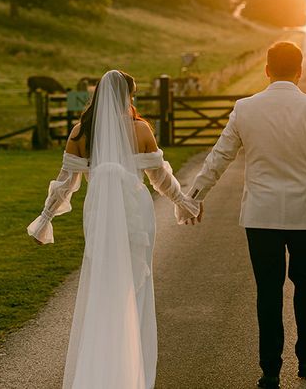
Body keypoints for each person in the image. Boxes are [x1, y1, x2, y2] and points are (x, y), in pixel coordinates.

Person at [184, 41, 306, 389]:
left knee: (268, 290)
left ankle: (270, 371)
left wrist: (194, 195)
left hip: (260, 217)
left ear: (266, 69)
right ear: (300, 70)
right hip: (305, 217)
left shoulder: (245, 108)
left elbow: (220, 156)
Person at [27, 69, 199, 389]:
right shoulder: (141, 130)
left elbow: (66, 184)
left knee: (104, 287)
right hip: (136, 215)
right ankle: (132, 374)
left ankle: (105, 368)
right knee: (136, 288)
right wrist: (183, 202)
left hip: (99, 215)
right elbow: (159, 178)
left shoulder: (81, 133)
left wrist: (45, 217)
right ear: (128, 96)